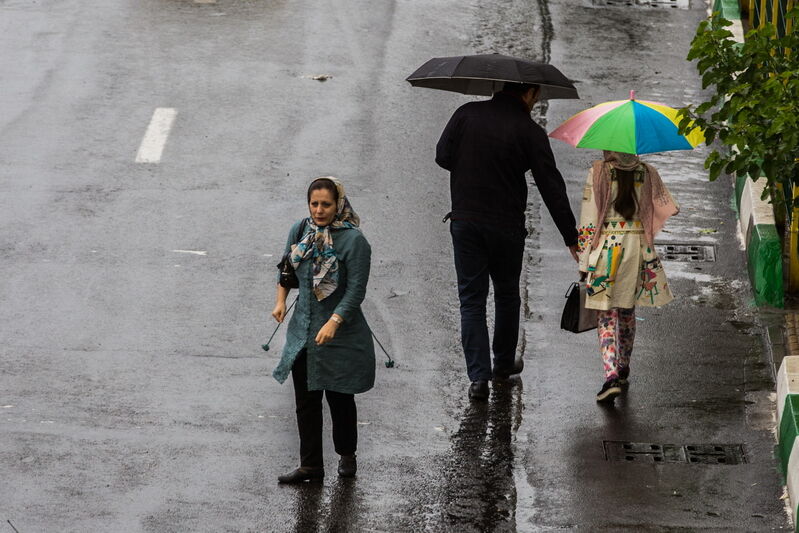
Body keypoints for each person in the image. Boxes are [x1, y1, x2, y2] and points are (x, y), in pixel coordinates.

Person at [435, 82, 579, 401]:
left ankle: (478, 378)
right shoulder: (529, 131)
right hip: (506, 227)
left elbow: (443, 156)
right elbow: (550, 186)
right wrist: (571, 236)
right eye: (536, 96)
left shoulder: (466, 114)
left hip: (466, 221)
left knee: (471, 299)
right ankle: (502, 363)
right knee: (506, 293)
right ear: (528, 94)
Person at [271, 176, 375, 483]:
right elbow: (286, 270)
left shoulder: (355, 242)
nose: (319, 210)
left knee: (340, 398)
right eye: (314, 204)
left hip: (340, 334)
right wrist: (280, 302)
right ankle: (311, 465)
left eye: (325, 204)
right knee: (306, 401)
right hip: (303, 332)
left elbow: (356, 291)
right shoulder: (300, 231)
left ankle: (346, 455)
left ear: (338, 204)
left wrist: (334, 320)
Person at [576, 151, 678, 403]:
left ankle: (610, 376)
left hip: (607, 250)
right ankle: (623, 367)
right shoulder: (647, 172)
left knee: (606, 314)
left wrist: (584, 259)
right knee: (627, 310)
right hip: (637, 248)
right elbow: (667, 208)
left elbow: (589, 220)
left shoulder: (599, 171)